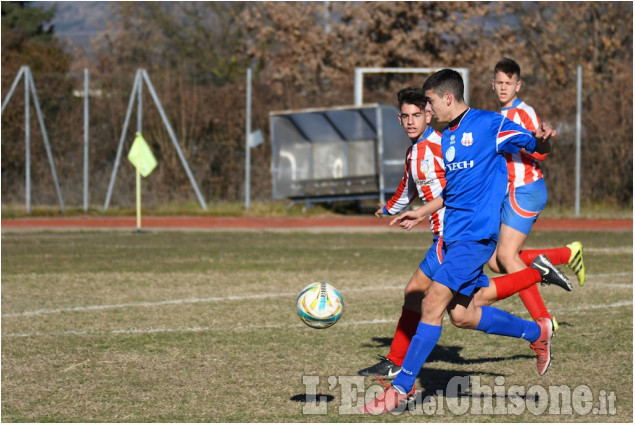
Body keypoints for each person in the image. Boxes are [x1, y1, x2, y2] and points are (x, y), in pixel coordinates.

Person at [361, 69, 561, 414]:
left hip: (477, 236)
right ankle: (536, 332)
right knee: (463, 316)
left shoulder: (490, 125)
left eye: (430, 102)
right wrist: (422, 211)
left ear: (448, 98)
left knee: (431, 301)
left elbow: (534, 145)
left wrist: (542, 138)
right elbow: (452, 191)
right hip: (452, 236)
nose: (428, 109)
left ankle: (402, 388)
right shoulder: (447, 136)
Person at [476, 57, 586, 328]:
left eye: (509, 83)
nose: (503, 87)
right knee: (495, 261)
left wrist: (541, 139)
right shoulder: (498, 116)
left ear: (518, 85)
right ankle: (565, 255)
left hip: (526, 189)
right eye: (499, 82)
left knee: (507, 257)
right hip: (510, 192)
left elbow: (539, 150)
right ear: (493, 84)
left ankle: (543, 321)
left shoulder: (524, 112)